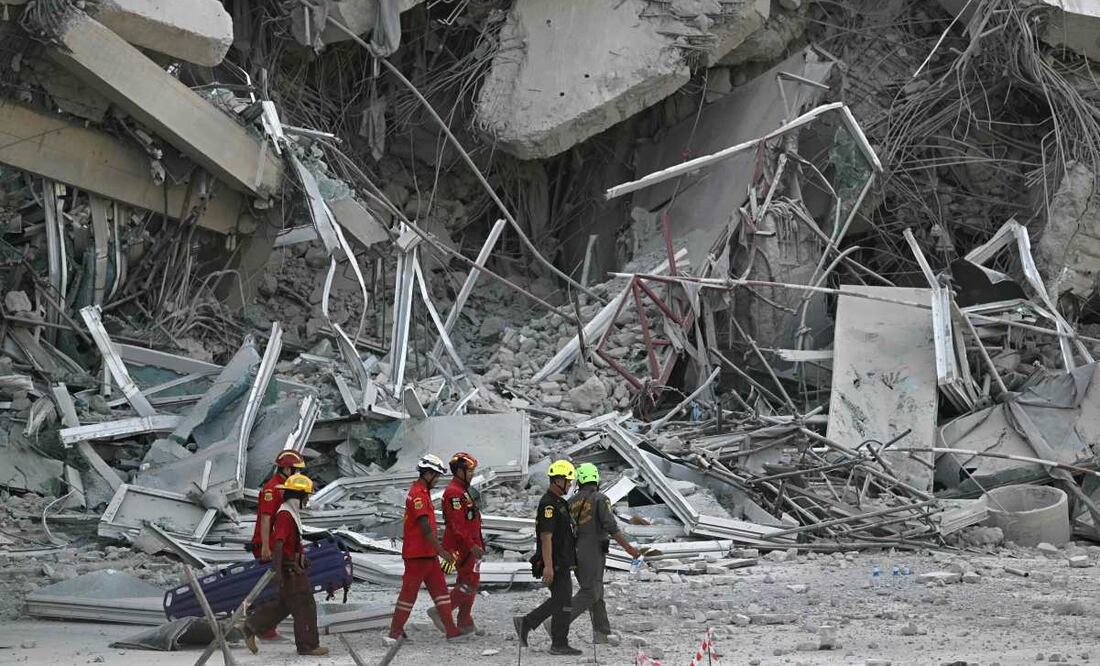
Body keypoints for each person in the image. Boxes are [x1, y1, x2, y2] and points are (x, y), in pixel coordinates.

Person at [243, 473, 328, 657]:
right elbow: (279, 543)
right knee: (305, 605)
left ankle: (252, 625)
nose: (308, 499)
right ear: (299, 495)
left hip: (291, 565)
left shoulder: (289, 513)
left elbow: (291, 542)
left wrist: (301, 557)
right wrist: (279, 571)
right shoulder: (285, 515)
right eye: (307, 495)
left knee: (285, 604)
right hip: (289, 569)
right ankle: (308, 646)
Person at [386, 454, 468, 643]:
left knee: (440, 593)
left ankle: (451, 631)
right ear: (428, 473)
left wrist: (436, 551)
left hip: (427, 555)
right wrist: (441, 551)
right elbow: (424, 526)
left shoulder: (422, 492)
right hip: (418, 555)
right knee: (408, 595)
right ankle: (394, 632)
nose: (438, 480)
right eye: (437, 475)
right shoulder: (418, 495)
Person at [513, 460, 582, 656]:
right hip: (555, 562)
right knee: (561, 599)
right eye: (568, 481)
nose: (569, 485)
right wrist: (549, 567)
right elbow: (546, 537)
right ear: (558, 480)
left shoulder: (560, 503)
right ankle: (526, 622)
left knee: (564, 601)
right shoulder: (548, 504)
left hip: (563, 560)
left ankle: (559, 643)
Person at [568, 463, 639, 644]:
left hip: (575, 550)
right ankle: (557, 622)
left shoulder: (571, 502)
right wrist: (629, 549)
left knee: (597, 591)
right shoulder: (600, 498)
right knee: (591, 592)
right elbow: (611, 526)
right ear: (596, 480)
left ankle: (602, 633)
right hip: (592, 550)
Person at [249, 449, 305, 641]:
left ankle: (265, 627)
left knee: (280, 586)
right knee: (274, 587)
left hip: (278, 543)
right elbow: (266, 519)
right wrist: (265, 546)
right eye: (296, 470)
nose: (299, 474)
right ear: (286, 468)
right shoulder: (272, 489)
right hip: (268, 544)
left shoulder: (286, 485)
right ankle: (263, 629)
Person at [434, 451, 484, 635]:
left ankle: (465, 621)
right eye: (470, 471)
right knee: (470, 582)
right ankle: (442, 612)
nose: (472, 474)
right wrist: (471, 546)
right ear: (459, 471)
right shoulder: (453, 494)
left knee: (468, 581)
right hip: (463, 546)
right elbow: (457, 525)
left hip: (472, 544)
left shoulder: (464, 491)